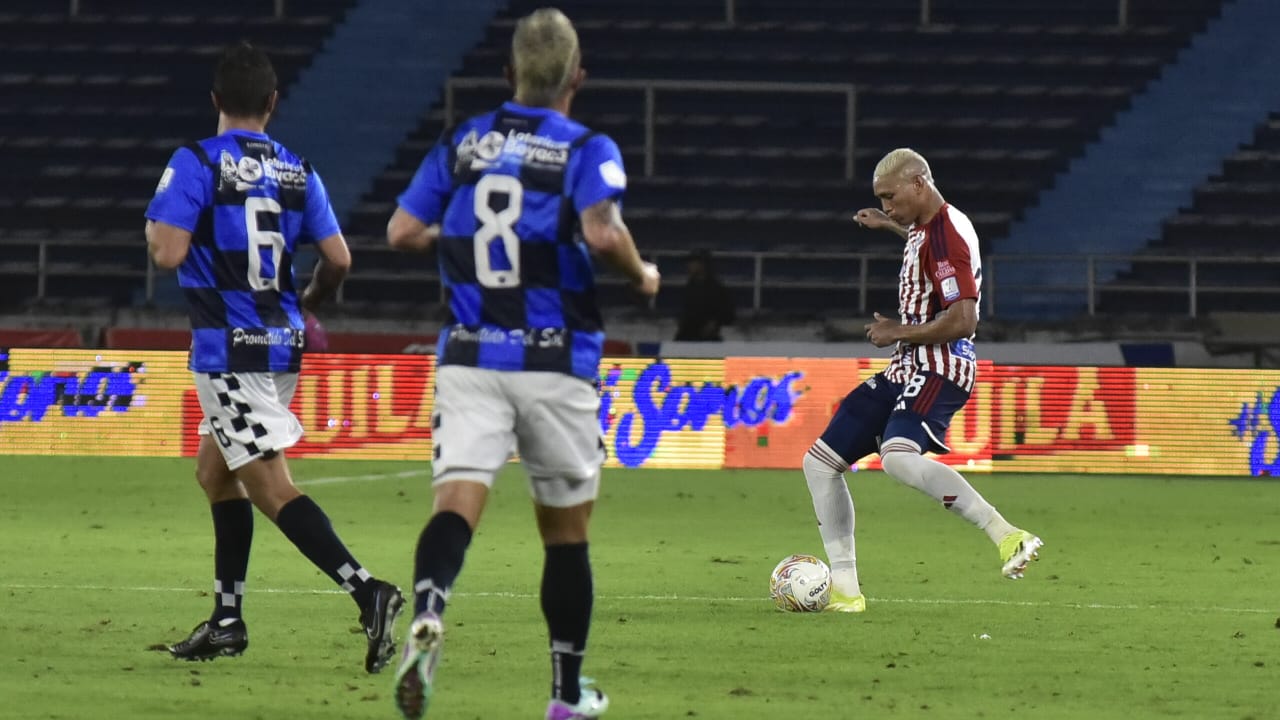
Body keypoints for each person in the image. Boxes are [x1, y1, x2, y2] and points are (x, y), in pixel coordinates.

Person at [384, 8, 660, 719]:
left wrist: (461, 238)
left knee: (456, 502)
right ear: (578, 78)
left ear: (507, 75)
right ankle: (566, 697)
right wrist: (642, 272)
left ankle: (428, 610)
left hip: (471, 353)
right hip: (556, 358)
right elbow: (602, 231)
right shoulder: (585, 146)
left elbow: (402, 230)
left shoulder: (463, 141)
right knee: (565, 534)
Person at [144, 42, 403, 672]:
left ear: (215, 101)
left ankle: (369, 590)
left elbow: (168, 253)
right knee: (215, 472)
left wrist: (161, 224)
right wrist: (313, 295)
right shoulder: (298, 169)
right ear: (272, 103)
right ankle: (227, 619)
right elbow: (339, 259)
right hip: (283, 347)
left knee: (268, 486)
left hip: (229, 352)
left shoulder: (197, 162)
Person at [801, 148, 1043, 613]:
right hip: (906, 367)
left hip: (940, 366)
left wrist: (899, 330)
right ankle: (846, 593)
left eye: (891, 198)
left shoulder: (948, 234)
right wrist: (890, 226)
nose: (888, 206)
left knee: (897, 459)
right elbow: (923, 249)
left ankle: (1006, 534)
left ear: (919, 183)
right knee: (819, 463)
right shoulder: (926, 228)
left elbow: (964, 320)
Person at [674, 249, 736, 341]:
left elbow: (729, 314)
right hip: (687, 337)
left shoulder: (716, 288)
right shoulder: (689, 287)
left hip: (708, 338)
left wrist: (715, 322)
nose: (690, 266)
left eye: (694, 262)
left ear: (703, 264)